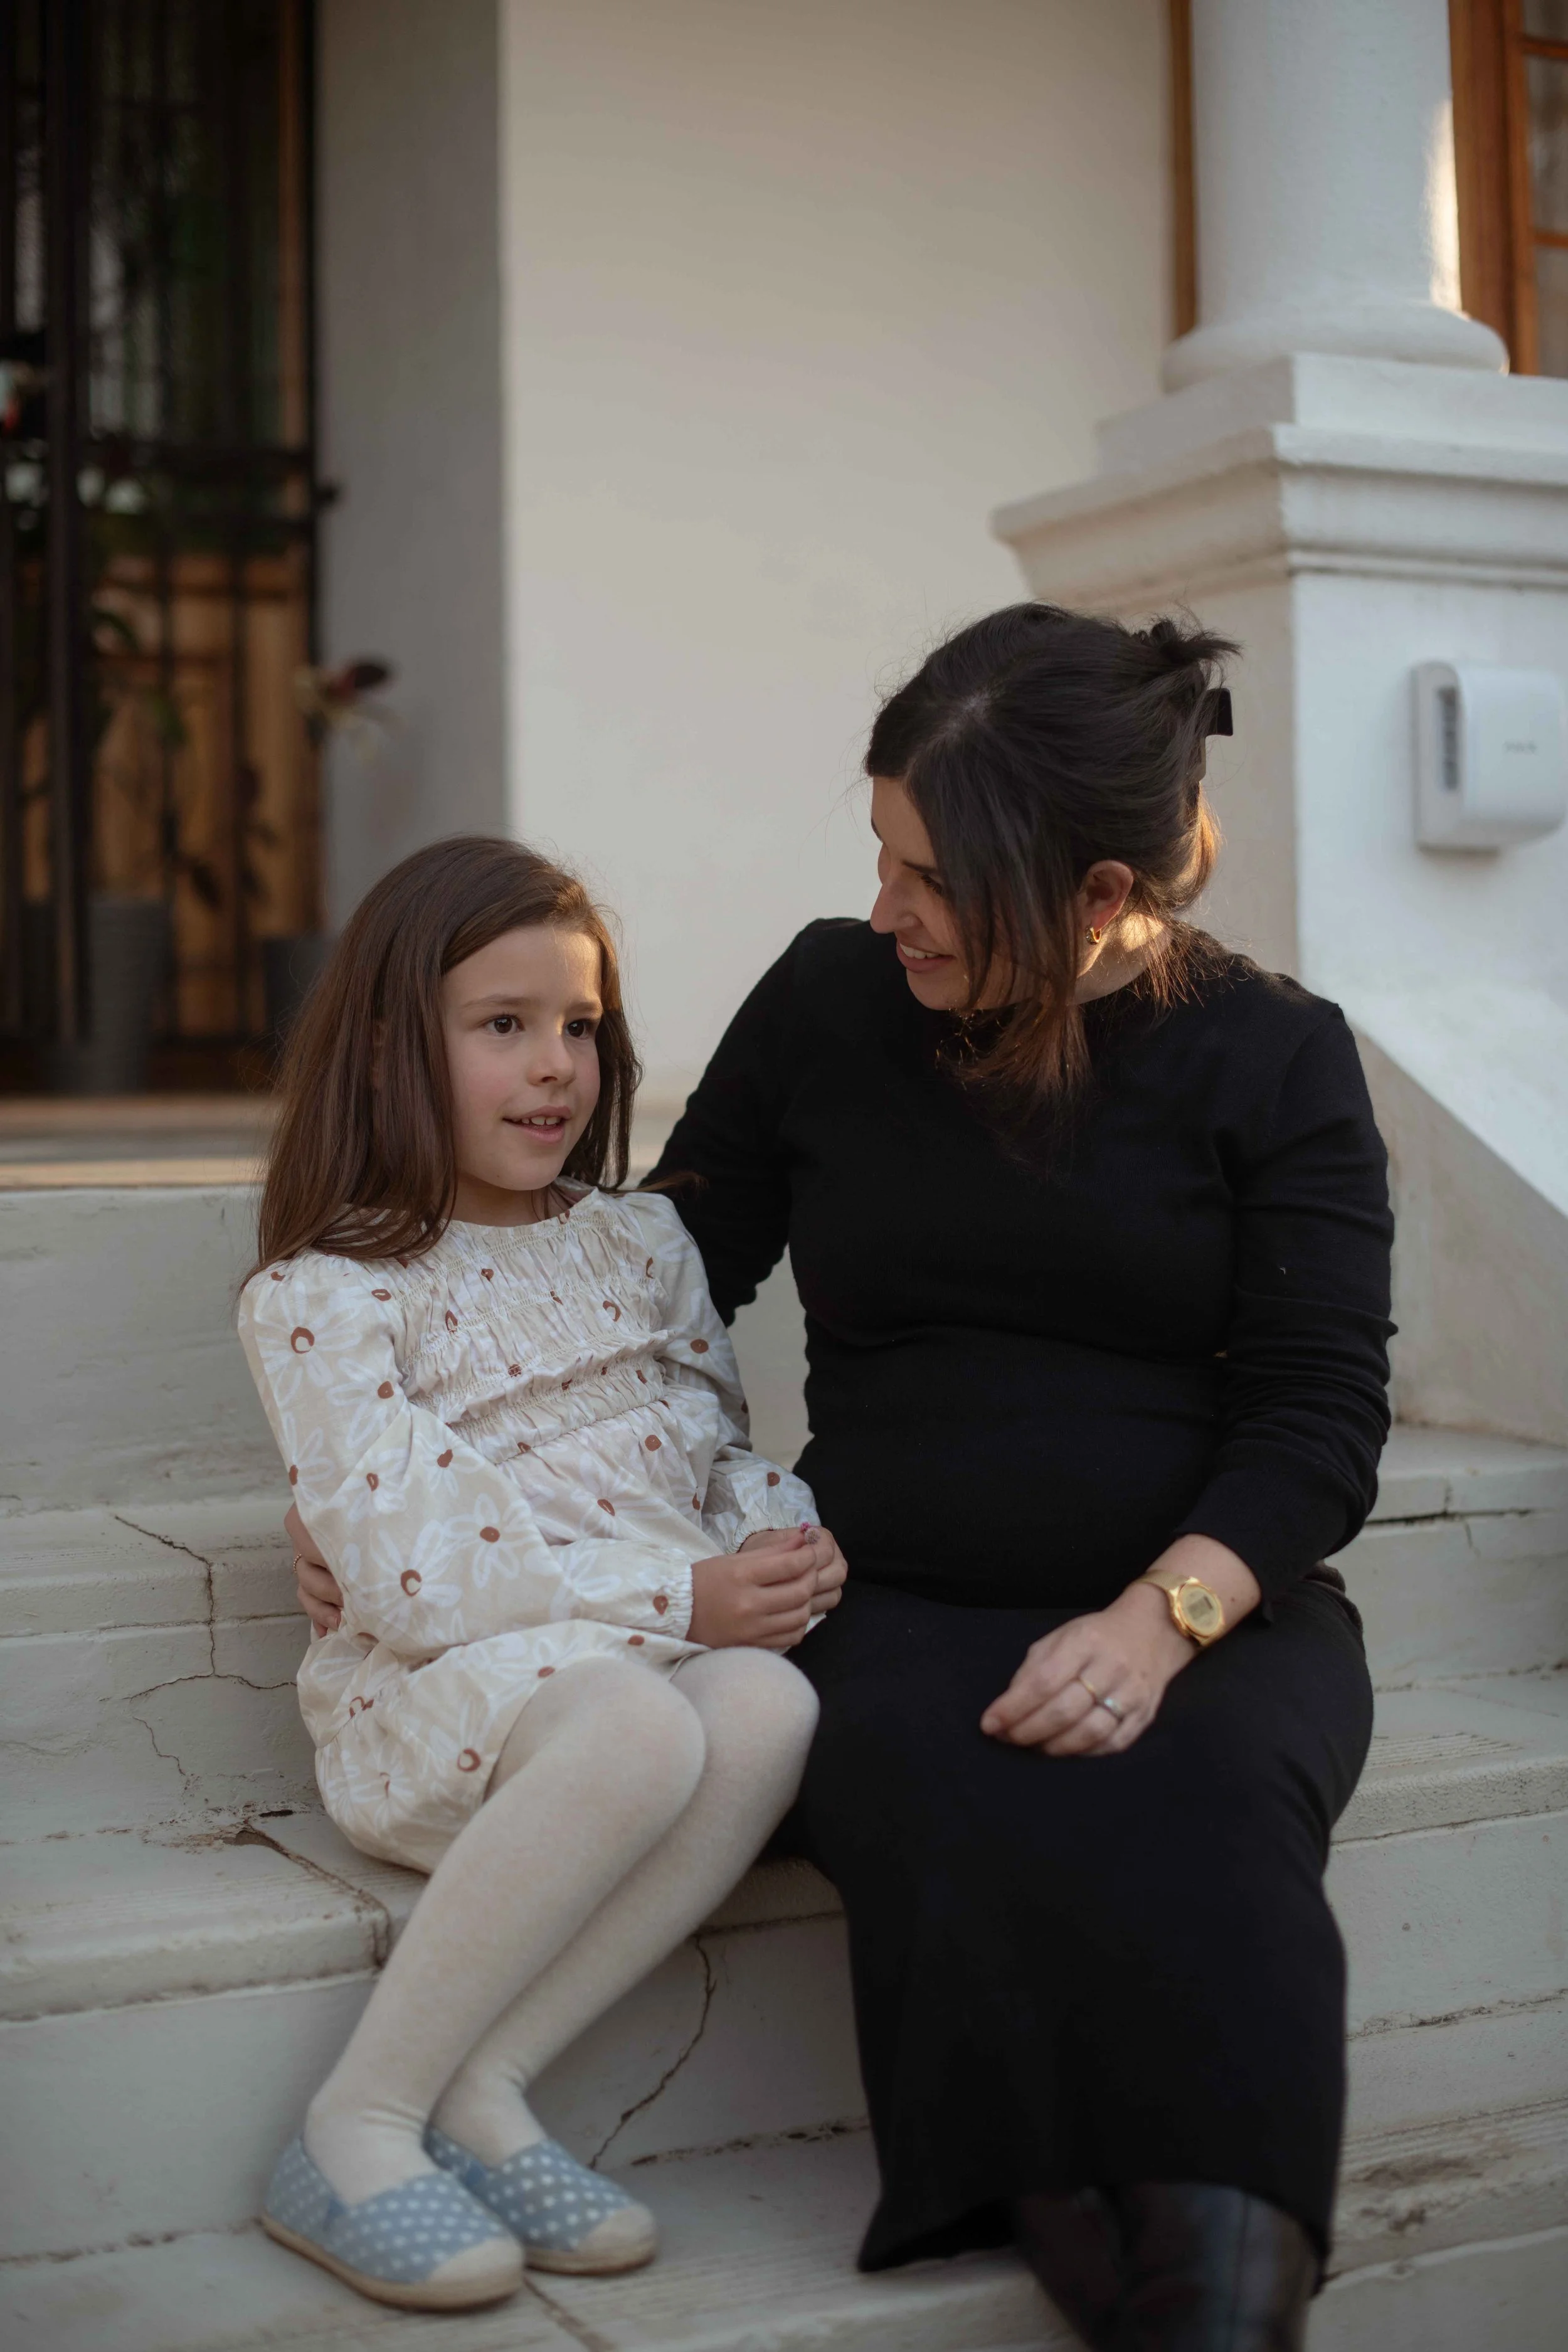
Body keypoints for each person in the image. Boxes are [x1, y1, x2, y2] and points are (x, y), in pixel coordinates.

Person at [294, 603, 1394, 2351]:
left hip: (1202, 1605)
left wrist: (1154, 1624)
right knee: (963, 1799)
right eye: (879, 853)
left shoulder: (1273, 1054)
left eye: (929, 877)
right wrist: (391, 1475)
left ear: (1096, 892)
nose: (884, 908)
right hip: (879, 1603)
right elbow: (644, 1283)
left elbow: (1317, 1411)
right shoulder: (832, 996)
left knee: (1213, 1826)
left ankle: (1223, 2301)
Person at [242, 835, 844, 2314]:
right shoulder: (331, 1292)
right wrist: (679, 1600)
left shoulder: (639, 1241)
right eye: (501, 1025)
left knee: (766, 1705)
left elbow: (706, 1442)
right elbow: (413, 1580)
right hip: (439, 1699)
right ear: (388, 1047)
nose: (554, 1066)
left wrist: (769, 1537)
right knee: (640, 1719)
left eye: (578, 1024)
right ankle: (356, 2124)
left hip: (633, 1668)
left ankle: (487, 2085)